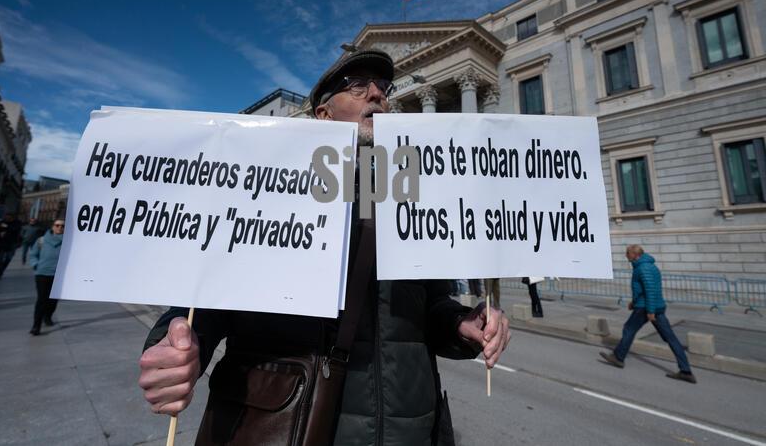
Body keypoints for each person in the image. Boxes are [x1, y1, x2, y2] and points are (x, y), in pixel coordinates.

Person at [138, 49, 512, 444]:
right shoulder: (271, 187)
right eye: (357, 86)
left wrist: (461, 324)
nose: (376, 94)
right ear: (323, 115)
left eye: (383, 88)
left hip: (411, 431)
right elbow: (206, 299)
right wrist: (174, 342)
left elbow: (432, 304)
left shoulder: (406, 196)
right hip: (300, 425)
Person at [600, 244, 696, 384]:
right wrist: (634, 302)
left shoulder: (643, 268)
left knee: (629, 329)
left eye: (628, 253)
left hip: (646, 308)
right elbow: (643, 289)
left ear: (635, 254)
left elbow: (650, 290)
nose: (626, 255)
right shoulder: (649, 266)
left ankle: (618, 357)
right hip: (654, 306)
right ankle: (686, 371)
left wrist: (650, 311)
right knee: (670, 338)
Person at [28, 218, 65, 335]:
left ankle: (48, 316)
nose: (59, 227)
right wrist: (35, 265)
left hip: (59, 275)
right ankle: (36, 326)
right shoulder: (42, 240)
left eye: (62, 226)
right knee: (42, 300)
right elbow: (33, 254)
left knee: (53, 300)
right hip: (42, 274)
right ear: (52, 226)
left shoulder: (69, 242)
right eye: (57, 225)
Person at [0, 212, 22, 279]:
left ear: (12, 217)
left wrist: (7, 227)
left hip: (12, 243)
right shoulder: (1, 222)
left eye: (9, 217)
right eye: (6, 217)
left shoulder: (17, 223)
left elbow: (15, 229)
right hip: (1, 243)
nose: (7, 218)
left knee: (8, 258)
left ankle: (1, 270)